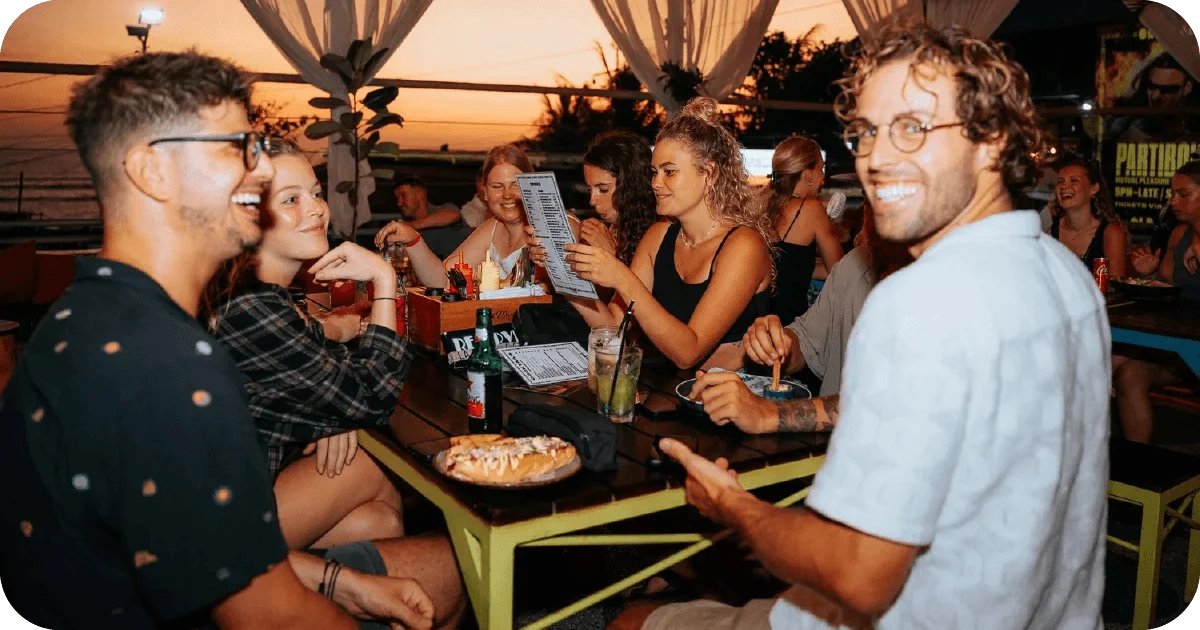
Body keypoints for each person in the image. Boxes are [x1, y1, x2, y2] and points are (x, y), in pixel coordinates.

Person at [617, 18, 1110, 630]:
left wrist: (734, 507)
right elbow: (922, 406)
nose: (875, 158)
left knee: (633, 620)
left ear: (990, 143)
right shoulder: (1067, 278)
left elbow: (858, 576)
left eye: (911, 128)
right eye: (867, 133)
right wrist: (774, 408)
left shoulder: (916, 301)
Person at [0, 50, 437, 629]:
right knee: (449, 573)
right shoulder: (167, 363)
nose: (259, 172)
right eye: (235, 149)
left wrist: (342, 583)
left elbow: (190, 541)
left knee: (383, 529)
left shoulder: (94, 314)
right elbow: (268, 618)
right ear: (152, 172)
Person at [202, 138, 407, 551]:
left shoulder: (257, 295)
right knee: (372, 464)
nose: (316, 208)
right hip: (214, 517)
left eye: (315, 193)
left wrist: (331, 416)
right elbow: (372, 396)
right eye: (291, 199)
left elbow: (311, 351)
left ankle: (313, 585)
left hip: (240, 486)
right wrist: (383, 279)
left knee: (378, 522)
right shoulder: (250, 308)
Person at [558, 97, 774, 370]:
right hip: (670, 386)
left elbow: (689, 351)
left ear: (709, 174)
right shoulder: (659, 236)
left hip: (733, 390)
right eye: (654, 172)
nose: (656, 183)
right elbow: (614, 325)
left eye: (669, 172)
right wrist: (564, 276)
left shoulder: (743, 245)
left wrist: (621, 276)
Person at [688, 210, 912, 434]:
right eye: (868, 201)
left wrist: (768, 414)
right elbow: (807, 340)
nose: (875, 215)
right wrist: (777, 344)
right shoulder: (854, 265)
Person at [375, 144, 579, 288]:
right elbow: (444, 280)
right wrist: (413, 239)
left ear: (531, 184)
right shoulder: (492, 227)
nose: (507, 194)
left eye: (515, 184)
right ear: (485, 193)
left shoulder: (557, 224)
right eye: (497, 186)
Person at [1116, 160, 1200, 443]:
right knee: (1124, 371)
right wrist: (1150, 273)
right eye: (1172, 193)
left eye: (1183, 194)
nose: (1173, 201)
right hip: (1179, 345)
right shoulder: (1179, 233)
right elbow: (1165, 286)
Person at [762, 137, 844, 323]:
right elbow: (838, 270)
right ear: (808, 175)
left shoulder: (761, 205)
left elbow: (786, 266)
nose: (823, 177)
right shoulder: (810, 208)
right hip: (789, 323)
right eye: (821, 169)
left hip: (756, 323)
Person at [1046, 157, 1128, 277]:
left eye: (1074, 180)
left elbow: (1116, 284)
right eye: (1060, 181)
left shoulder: (1111, 233)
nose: (1063, 186)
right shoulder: (1049, 230)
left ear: (1093, 189)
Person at [393, 173, 473, 258]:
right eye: (397, 198)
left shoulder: (445, 209)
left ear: (420, 194)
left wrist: (413, 225)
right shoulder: (411, 229)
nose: (399, 203)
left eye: (403, 195)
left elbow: (453, 216)